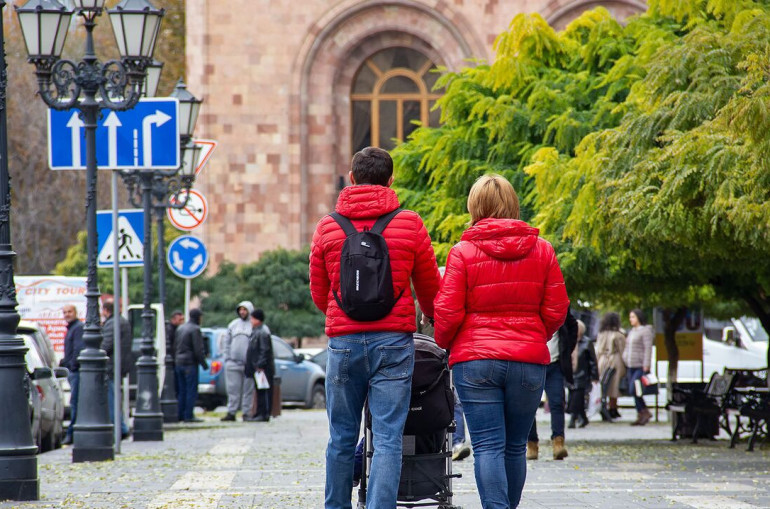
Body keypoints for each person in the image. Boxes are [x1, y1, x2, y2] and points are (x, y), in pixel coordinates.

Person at [310, 146, 441, 509]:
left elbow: (319, 291)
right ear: (390, 180)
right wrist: (431, 317)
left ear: (352, 178)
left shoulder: (328, 226)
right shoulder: (410, 223)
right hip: (393, 343)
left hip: (343, 343)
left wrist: (343, 316)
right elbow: (429, 287)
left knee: (341, 437)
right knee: (387, 438)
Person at [434, 174, 569, 509]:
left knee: (488, 447)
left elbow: (447, 313)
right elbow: (557, 309)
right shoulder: (543, 250)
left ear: (474, 206)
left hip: (475, 361)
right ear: (513, 204)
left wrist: (447, 344)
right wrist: (534, 336)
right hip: (528, 361)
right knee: (514, 446)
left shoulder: (462, 252)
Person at [526, 310, 577, 461]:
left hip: (555, 364)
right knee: (529, 405)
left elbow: (572, 326)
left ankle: (558, 443)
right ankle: (531, 444)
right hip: (532, 362)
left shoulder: (557, 307)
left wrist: (566, 350)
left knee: (557, 403)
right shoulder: (529, 305)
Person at [100, 298, 131, 438]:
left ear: (106, 310)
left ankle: (119, 428)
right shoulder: (122, 321)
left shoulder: (112, 323)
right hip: (119, 365)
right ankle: (121, 427)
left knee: (111, 399)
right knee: (115, 397)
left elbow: (106, 345)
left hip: (111, 366)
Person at [221, 301, 256, 422]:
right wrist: (227, 358)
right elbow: (226, 343)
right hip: (233, 363)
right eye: (240, 309)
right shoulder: (233, 325)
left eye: (245, 310)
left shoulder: (253, 325)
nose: (242, 312)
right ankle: (231, 412)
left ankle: (246, 413)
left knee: (248, 391)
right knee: (232, 390)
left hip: (248, 364)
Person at [174, 309, 208, 423]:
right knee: (191, 390)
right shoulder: (195, 329)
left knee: (182, 390)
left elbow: (175, 346)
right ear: (198, 317)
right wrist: (204, 364)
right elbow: (198, 349)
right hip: (190, 363)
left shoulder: (180, 328)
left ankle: (180, 414)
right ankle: (188, 415)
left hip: (179, 362)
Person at [622, 309, 654, 426]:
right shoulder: (632, 331)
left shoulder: (645, 331)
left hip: (640, 365)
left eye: (633, 317)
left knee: (634, 389)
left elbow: (648, 348)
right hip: (630, 365)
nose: (631, 319)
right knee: (635, 391)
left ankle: (644, 411)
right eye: (630, 317)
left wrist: (646, 364)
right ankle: (641, 414)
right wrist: (624, 358)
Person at [567, 320, 599, 429]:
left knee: (576, 398)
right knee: (576, 398)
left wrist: (594, 376)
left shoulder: (586, 342)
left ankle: (573, 419)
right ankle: (583, 418)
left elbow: (592, 360)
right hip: (570, 374)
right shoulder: (569, 340)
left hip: (582, 375)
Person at [244, 309, 274, 422]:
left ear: (258, 319)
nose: (251, 321)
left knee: (264, 391)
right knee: (259, 391)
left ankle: (264, 413)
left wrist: (260, 364)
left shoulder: (263, 332)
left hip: (262, 368)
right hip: (256, 367)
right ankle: (258, 412)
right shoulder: (256, 331)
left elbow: (264, 350)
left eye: (252, 318)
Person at [60, 304, 84, 445]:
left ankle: (72, 433)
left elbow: (78, 349)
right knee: (75, 402)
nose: (67, 314)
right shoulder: (72, 328)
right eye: (65, 312)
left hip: (75, 371)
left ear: (75, 312)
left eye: (69, 312)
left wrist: (72, 366)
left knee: (74, 402)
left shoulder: (78, 328)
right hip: (73, 371)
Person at [595, 312, 626, 420]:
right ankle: (613, 407)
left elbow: (598, 350)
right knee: (614, 386)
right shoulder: (619, 335)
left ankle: (605, 406)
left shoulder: (601, 334)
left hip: (602, 360)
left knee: (604, 385)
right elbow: (623, 350)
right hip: (615, 360)